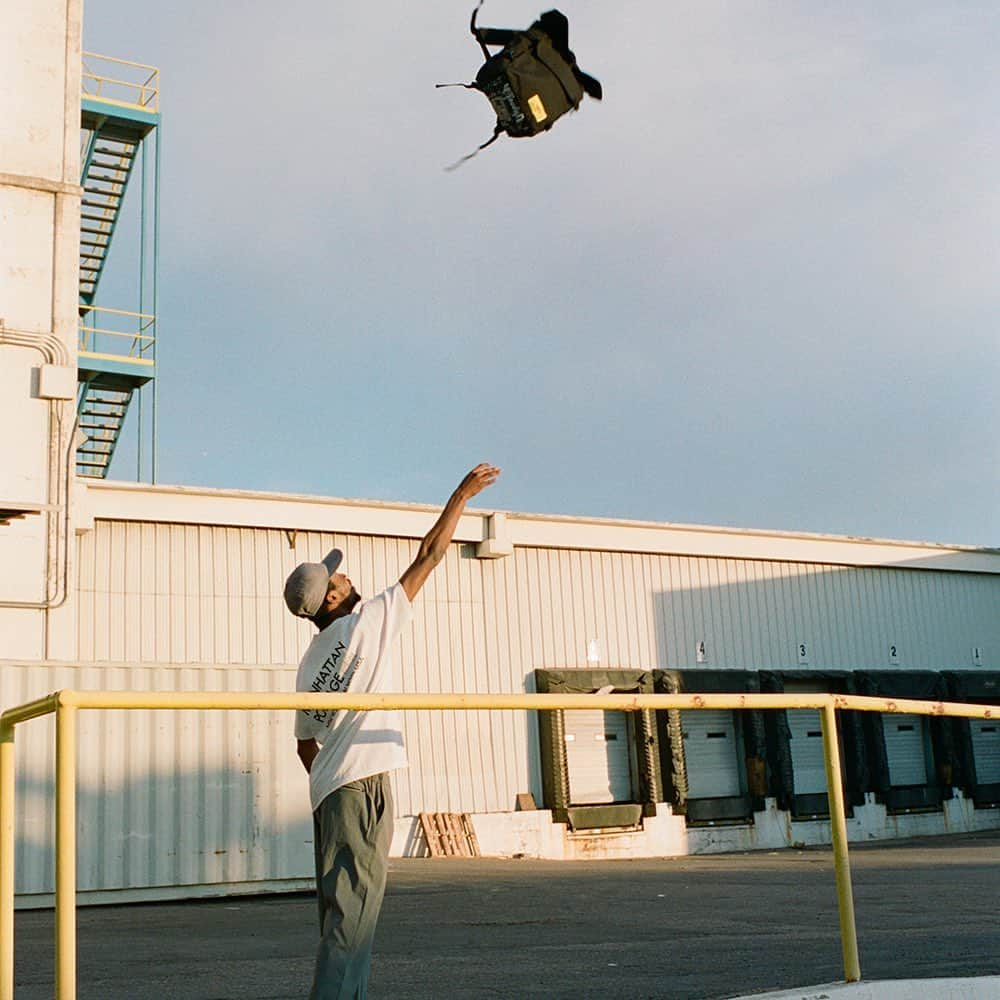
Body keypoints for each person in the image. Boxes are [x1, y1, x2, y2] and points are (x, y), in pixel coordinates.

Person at [283, 463, 501, 1000]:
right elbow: (429, 554)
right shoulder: (368, 621)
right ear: (333, 600)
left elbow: (304, 743)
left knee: (345, 916)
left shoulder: (310, 665)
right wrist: (460, 495)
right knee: (351, 921)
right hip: (362, 786)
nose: (347, 576)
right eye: (338, 578)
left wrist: (335, 774)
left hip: (333, 792)